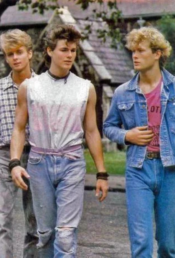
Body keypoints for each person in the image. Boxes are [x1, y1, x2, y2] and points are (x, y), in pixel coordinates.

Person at [10, 24, 108, 257]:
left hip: (71, 161)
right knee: (45, 234)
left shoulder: (85, 88)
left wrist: (102, 173)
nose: (69, 55)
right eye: (64, 49)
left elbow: (92, 131)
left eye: (73, 50)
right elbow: (19, 127)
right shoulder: (30, 87)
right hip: (39, 163)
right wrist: (15, 163)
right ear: (49, 51)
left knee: (65, 233)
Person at [103, 27, 175, 258]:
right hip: (138, 170)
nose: (134, 55)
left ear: (157, 54)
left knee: (168, 245)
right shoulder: (122, 92)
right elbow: (108, 127)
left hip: (170, 170)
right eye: (132, 51)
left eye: (140, 50)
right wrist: (127, 136)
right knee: (141, 244)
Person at [0, 29, 38, 258]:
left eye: (19, 52)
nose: (15, 58)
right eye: (9, 54)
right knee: (2, 218)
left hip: (35, 154)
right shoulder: (0, 89)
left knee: (34, 220)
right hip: (4, 155)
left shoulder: (43, 87)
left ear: (30, 53)